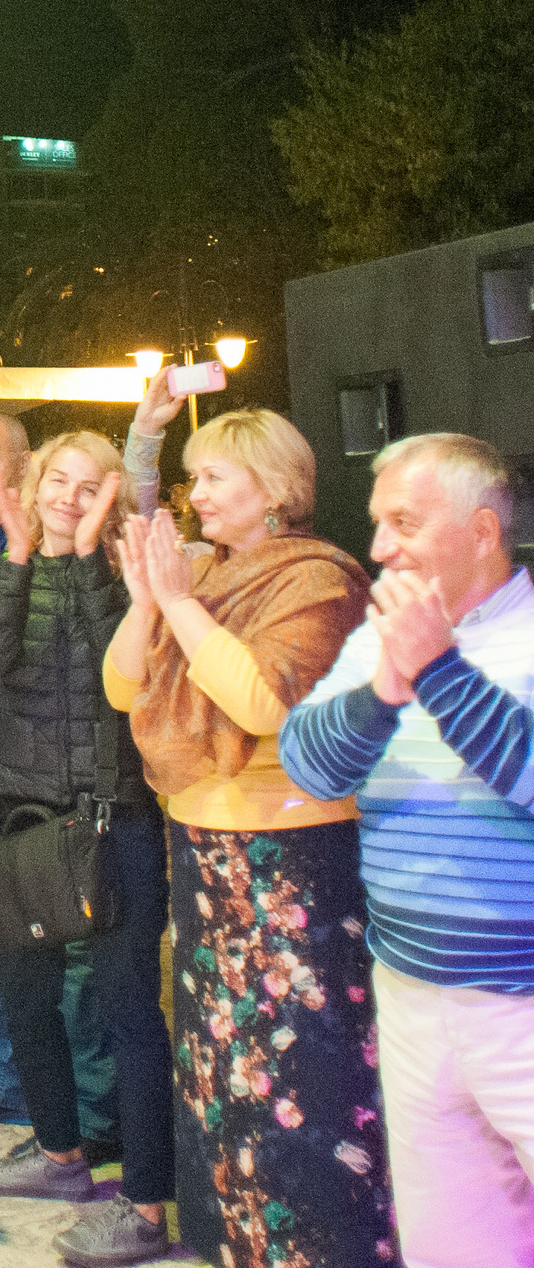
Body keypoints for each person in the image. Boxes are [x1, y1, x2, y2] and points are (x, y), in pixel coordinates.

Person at [99, 408, 385, 1267]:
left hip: (288, 862)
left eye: (217, 477)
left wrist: (180, 606)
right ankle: (233, 1240)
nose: (198, 494)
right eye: (195, 475)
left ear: (275, 490)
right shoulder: (207, 577)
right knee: (222, 1072)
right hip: (207, 851)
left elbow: (262, 701)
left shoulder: (318, 580)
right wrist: (152, 604)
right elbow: (123, 686)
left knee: (294, 1078)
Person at [279, 433, 534, 1267]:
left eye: (404, 522)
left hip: (522, 1005)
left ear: (484, 532)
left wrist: (440, 672)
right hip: (414, 992)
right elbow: (309, 765)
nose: (380, 548)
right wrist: (389, 684)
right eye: (377, 523)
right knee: (454, 1240)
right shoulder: (377, 636)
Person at [0, 431, 175, 1268]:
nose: (70, 495)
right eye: (60, 479)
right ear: (36, 480)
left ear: (110, 498)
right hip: (25, 821)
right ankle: (58, 1156)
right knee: (27, 1000)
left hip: (112, 815)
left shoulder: (123, 568)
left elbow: (116, 668)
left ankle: (148, 1203)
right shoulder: (2, 566)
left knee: (131, 1015)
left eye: (91, 487)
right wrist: (19, 557)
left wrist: (89, 557)